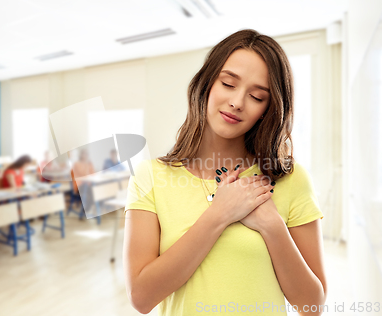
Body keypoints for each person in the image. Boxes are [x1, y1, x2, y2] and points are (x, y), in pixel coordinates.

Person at [123, 29, 326, 316]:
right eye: (228, 83)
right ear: (207, 84)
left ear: (268, 109)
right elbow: (141, 298)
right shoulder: (151, 176)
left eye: (257, 96)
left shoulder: (291, 179)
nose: (237, 102)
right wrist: (219, 215)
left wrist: (272, 226)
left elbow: (312, 305)